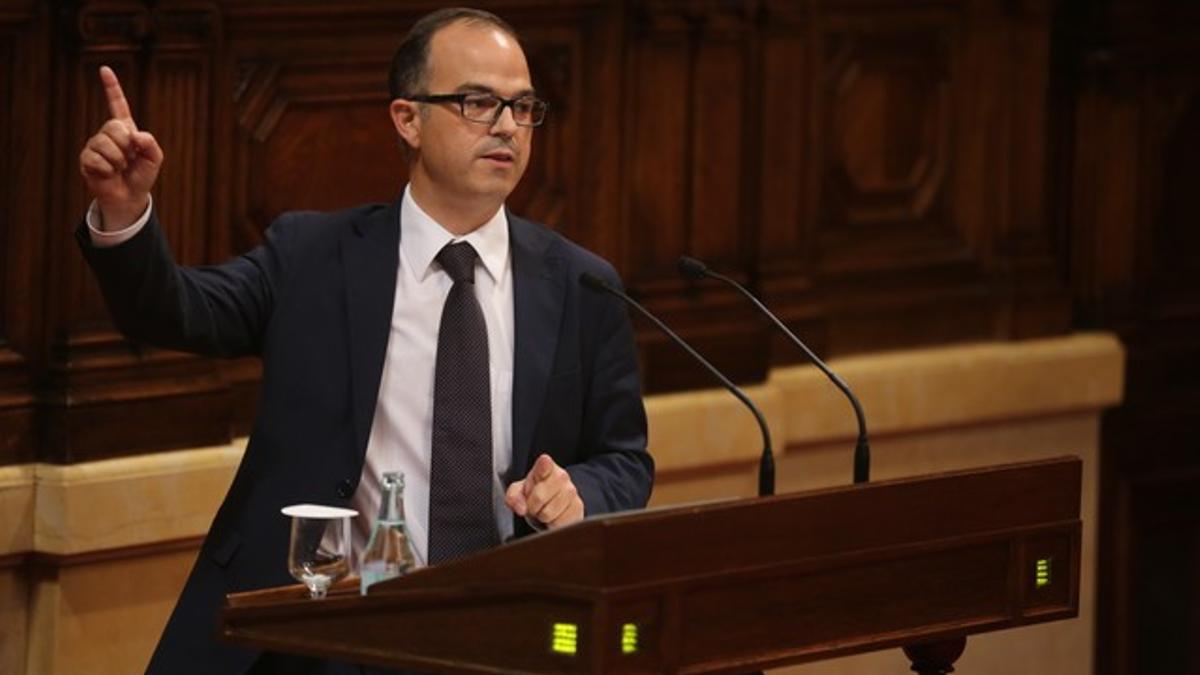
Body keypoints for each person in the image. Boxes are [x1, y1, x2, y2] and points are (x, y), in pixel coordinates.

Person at [76, 7, 653, 674]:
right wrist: (124, 215)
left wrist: (579, 489)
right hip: (323, 631)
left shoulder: (583, 284)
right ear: (407, 119)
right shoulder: (311, 255)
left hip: (511, 632)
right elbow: (174, 312)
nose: (506, 126)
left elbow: (626, 460)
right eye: (477, 102)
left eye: (523, 106)